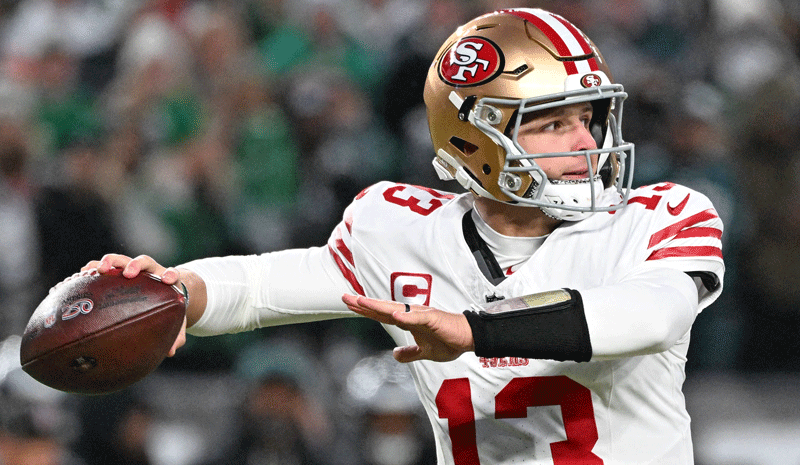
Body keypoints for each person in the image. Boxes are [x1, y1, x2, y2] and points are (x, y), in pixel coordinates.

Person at [83, 8, 724, 464]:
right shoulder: (401, 229)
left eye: (589, 118)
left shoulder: (659, 214)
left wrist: (474, 329)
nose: (587, 143)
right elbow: (260, 285)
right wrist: (176, 291)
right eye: (553, 125)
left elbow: (653, 315)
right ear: (475, 139)